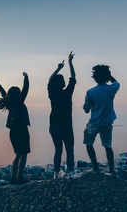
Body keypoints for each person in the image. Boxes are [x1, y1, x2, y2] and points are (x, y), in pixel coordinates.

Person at [0, 72, 30, 184]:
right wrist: (26, 78)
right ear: (18, 94)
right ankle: (19, 177)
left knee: (18, 155)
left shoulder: (9, 103)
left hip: (13, 132)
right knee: (23, 154)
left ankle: (13, 177)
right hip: (22, 130)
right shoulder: (19, 101)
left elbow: (4, 94)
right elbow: (26, 89)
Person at [83, 65, 120, 176]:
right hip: (107, 123)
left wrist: (86, 106)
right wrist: (109, 75)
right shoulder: (111, 89)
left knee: (89, 143)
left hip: (94, 123)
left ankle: (95, 168)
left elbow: (86, 109)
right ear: (107, 76)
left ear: (95, 77)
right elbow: (117, 83)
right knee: (108, 146)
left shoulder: (90, 92)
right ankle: (111, 170)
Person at [48, 51, 76, 179]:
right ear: (63, 83)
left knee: (58, 150)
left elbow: (50, 80)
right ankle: (70, 172)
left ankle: (56, 173)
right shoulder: (67, 93)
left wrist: (58, 68)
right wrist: (70, 63)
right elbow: (73, 77)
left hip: (53, 126)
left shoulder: (52, 94)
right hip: (65, 125)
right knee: (69, 150)